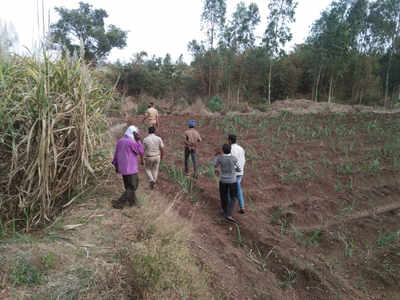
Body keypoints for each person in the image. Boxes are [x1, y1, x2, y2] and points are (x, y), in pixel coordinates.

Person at [112, 125, 144, 209]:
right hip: (131, 169)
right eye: (136, 133)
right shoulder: (132, 142)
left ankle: (133, 203)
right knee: (133, 186)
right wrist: (138, 141)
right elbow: (140, 151)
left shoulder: (120, 141)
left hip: (122, 168)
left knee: (128, 186)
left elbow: (116, 154)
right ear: (134, 133)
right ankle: (119, 203)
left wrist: (116, 165)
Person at [214, 144, 241, 223]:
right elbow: (239, 169)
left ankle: (224, 210)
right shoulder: (234, 158)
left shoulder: (220, 158)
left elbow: (215, 165)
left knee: (223, 196)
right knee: (233, 197)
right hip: (232, 180)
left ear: (223, 150)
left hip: (223, 180)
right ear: (230, 150)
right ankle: (229, 214)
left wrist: (215, 156)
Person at [228, 134, 246, 214]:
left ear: (230, 140)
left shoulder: (230, 149)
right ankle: (241, 206)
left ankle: (229, 206)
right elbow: (244, 160)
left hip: (233, 173)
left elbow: (231, 161)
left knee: (229, 189)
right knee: (238, 187)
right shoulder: (241, 148)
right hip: (240, 172)